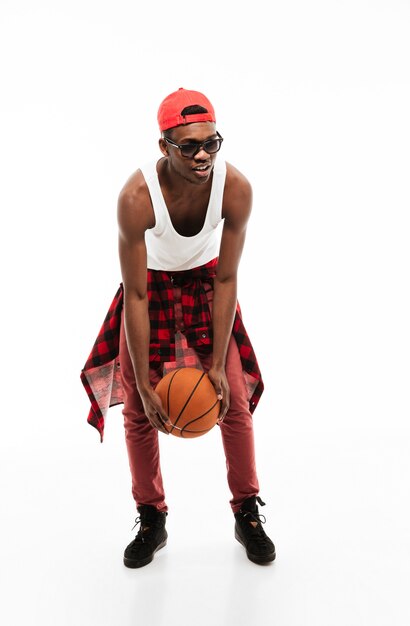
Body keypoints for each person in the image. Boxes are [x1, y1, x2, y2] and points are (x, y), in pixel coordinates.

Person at [81, 87, 275, 567]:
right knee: (138, 409)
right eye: (189, 145)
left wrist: (212, 364)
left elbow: (227, 275)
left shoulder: (236, 188)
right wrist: (144, 385)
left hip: (208, 283)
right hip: (151, 286)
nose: (203, 154)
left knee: (232, 395)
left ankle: (246, 511)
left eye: (212, 141)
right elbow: (138, 295)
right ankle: (151, 516)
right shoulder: (136, 197)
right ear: (163, 146)